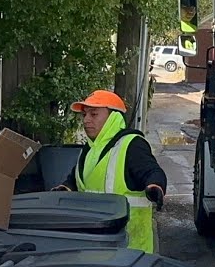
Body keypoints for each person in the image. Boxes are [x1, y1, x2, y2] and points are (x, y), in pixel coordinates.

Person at [54, 90, 167, 254]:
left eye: (94, 114)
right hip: (95, 245)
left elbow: (152, 171)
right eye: (84, 115)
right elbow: (76, 180)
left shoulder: (132, 144)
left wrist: (155, 186)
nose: (86, 120)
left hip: (131, 250)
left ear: (112, 118)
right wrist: (65, 189)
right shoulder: (89, 149)